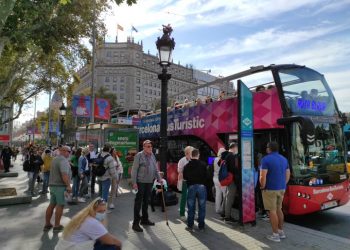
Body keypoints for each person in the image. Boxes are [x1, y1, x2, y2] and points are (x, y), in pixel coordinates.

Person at [55, 197, 122, 250]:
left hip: (66, 247)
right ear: (93, 210)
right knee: (114, 246)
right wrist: (120, 245)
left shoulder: (84, 216)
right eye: (100, 211)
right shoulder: (92, 222)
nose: (102, 213)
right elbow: (112, 240)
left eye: (104, 211)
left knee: (101, 241)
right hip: (73, 247)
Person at [260, 141, 290, 242]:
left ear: (269, 148)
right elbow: (288, 174)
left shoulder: (265, 159)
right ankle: (281, 232)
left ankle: (275, 235)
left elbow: (262, 176)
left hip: (270, 189)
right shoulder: (284, 159)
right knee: (279, 209)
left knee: (272, 211)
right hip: (281, 188)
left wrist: (262, 186)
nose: (266, 149)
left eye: (267, 147)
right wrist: (283, 184)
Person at [131, 140, 161, 232]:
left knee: (146, 201)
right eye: (148, 146)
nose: (150, 148)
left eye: (151, 146)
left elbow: (156, 169)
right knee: (138, 202)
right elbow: (134, 170)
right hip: (141, 182)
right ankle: (135, 223)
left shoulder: (152, 155)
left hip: (149, 182)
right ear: (143, 147)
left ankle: (144, 219)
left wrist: (159, 178)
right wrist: (134, 183)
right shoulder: (139, 155)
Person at [44, 145, 72, 233]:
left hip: (52, 186)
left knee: (51, 205)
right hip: (60, 186)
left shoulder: (55, 159)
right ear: (63, 151)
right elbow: (64, 175)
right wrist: (68, 185)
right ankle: (57, 225)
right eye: (69, 151)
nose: (69, 153)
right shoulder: (63, 161)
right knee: (60, 205)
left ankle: (47, 224)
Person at [183, 148, 207, 232]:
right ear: (198, 155)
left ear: (191, 155)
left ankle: (190, 226)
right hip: (201, 187)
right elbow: (206, 176)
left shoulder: (186, 166)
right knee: (202, 207)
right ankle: (201, 227)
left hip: (191, 187)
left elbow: (185, 177)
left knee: (191, 207)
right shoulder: (203, 164)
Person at [223, 142, 239, 222]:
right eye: (237, 148)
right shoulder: (231, 156)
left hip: (227, 178)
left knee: (226, 196)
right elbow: (233, 168)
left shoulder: (225, 154)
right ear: (234, 147)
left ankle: (224, 212)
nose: (237, 150)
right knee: (230, 197)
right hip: (231, 179)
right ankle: (227, 216)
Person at [178, 146, 193, 217]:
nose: (192, 153)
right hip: (185, 181)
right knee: (184, 197)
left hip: (192, 181)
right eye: (191, 152)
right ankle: (182, 213)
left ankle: (191, 212)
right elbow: (179, 171)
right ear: (187, 153)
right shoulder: (182, 160)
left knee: (192, 198)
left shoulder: (193, 159)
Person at [213, 148, 227, 214]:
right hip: (221, 179)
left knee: (218, 195)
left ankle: (217, 209)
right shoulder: (224, 160)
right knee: (225, 195)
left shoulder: (215, 159)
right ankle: (222, 209)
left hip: (215, 178)